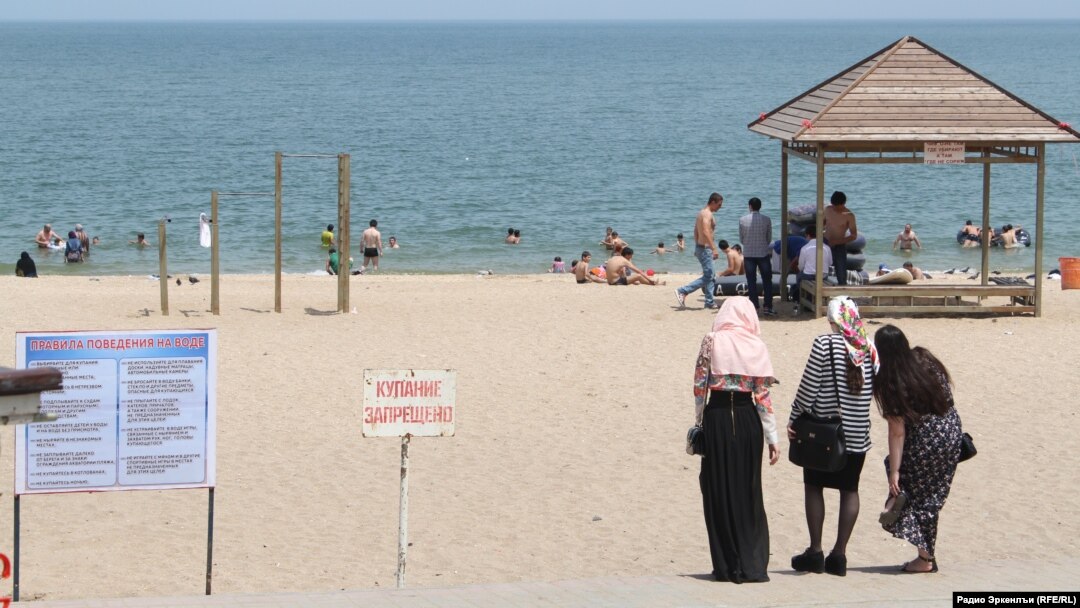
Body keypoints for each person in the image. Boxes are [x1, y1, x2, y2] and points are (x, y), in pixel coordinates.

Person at [692, 297, 780, 583]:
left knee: (718, 489)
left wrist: (698, 420)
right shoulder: (757, 346)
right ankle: (751, 563)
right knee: (748, 490)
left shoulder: (711, 341)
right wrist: (773, 437)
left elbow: (699, 386)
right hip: (748, 421)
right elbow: (762, 396)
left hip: (717, 417)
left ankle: (726, 565)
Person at [789, 297, 877, 577]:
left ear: (832, 320)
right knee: (849, 490)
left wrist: (795, 415)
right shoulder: (869, 346)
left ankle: (815, 550)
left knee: (814, 485)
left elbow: (808, 387)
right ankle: (839, 555)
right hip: (857, 434)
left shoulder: (824, 344)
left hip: (824, 433)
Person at [872, 325, 963, 574]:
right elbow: (946, 390)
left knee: (918, 494)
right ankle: (924, 551)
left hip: (925, 438)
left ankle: (925, 558)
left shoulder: (891, 380)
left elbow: (897, 432)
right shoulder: (924, 357)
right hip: (950, 429)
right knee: (930, 495)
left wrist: (894, 472)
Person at [675, 193, 724, 309]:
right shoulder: (707, 214)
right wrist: (714, 248)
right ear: (713, 202)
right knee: (708, 276)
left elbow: (696, 231)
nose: (720, 207)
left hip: (702, 247)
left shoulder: (701, 213)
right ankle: (683, 291)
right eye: (719, 204)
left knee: (711, 275)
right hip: (706, 249)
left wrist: (697, 246)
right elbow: (706, 232)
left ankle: (709, 302)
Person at [739, 197, 776, 315]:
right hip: (763, 253)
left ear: (750, 206)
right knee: (767, 280)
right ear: (760, 206)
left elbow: (741, 239)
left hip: (748, 253)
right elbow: (768, 238)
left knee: (751, 281)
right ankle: (767, 306)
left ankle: (754, 306)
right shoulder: (767, 219)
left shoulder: (742, 220)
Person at [823, 191, 858, 286]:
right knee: (821, 268)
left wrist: (837, 242)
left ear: (843, 203)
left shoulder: (849, 215)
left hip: (839, 245)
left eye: (837, 206)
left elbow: (854, 235)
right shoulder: (828, 209)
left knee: (841, 272)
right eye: (833, 206)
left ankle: (842, 289)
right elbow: (821, 224)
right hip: (825, 242)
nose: (835, 208)